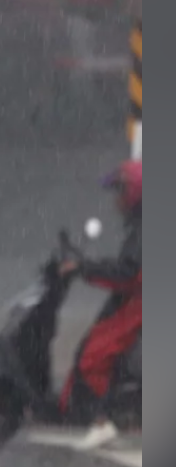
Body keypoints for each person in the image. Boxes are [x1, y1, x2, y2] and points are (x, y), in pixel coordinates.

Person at [59, 159, 142, 450]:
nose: (116, 201)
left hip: (137, 302)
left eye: (120, 192)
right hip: (133, 298)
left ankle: (101, 422)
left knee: (94, 357)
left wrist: (85, 269)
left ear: (133, 193)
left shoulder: (143, 227)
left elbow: (128, 273)